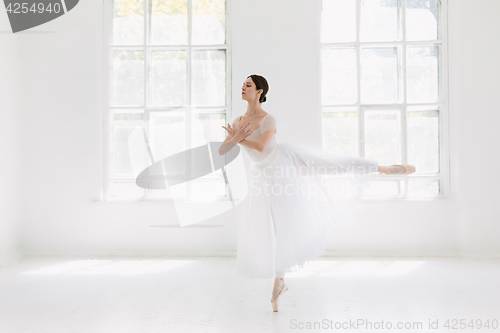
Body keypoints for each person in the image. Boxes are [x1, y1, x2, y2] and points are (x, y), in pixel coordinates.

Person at [219, 75, 415, 312]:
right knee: (278, 227)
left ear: (259, 91)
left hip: (282, 162)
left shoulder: (268, 119)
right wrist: (235, 138)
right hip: (263, 174)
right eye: (243, 84)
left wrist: (238, 138)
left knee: (329, 165)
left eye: (248, 85)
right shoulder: (237, 120)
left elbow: (261, 147)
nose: (243, 87)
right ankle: (279, 281)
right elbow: (222, 150)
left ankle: (380, 168)